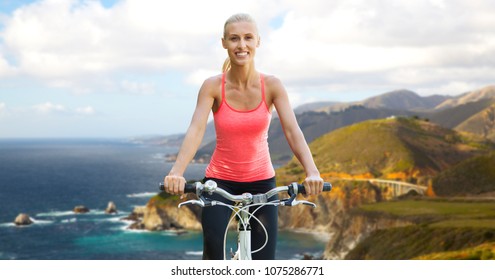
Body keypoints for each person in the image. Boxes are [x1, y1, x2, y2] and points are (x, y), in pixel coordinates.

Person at [163, 13, 323, 260]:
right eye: (234, 39)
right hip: (219, 182)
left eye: (248, 38)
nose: (242, 45)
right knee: (213, 256)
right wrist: (177, 171)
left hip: (262, 183)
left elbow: (293, 131)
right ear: (224, 42)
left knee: (263, 262)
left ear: (258, 41)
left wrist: (312, 171)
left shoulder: (272, 85)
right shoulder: (212, 86)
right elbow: (196, 130)